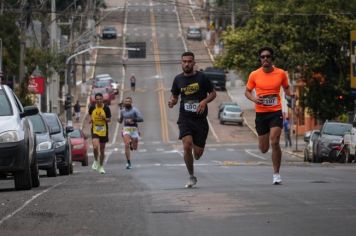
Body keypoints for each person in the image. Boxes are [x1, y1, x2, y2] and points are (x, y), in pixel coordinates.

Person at [245, 46, 294, 185]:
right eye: (262, 57)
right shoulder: (254, 74)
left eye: (268, 56)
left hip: (275, 112)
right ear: (260, 59)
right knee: (264, 148)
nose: (265, 59)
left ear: (272, 59)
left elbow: (286, 87)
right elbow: (247, 91)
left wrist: (291, 95)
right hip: (261, 114)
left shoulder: (281, 73)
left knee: (275, 141)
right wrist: (254, 99)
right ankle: (264, 146)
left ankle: (276, 174)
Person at [168, 51, 216, 188]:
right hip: (185, 118)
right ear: (181, 63)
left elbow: (213, 94)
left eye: (189, 61)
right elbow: (175, 97)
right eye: (184, 61)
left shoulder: (202, 77)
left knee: (198, 154)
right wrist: (172, 102)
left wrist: (204, 102)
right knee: (187, 144)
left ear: (194, 63)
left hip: (200, 120)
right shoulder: (178, 79)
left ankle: (197, 148)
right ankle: (191, 176)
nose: (187, 64)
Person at [88, 93, 111, 174]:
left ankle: (101, 166)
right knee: (95, 147)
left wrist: (104, 118)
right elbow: (90, 115)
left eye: (100, 99)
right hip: (95, 129)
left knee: (102, 149)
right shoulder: (92, 107)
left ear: (102, 99)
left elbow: (109, 120)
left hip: (104, 130)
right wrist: (91, 120)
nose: (98, 100)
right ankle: (95, 160)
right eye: (97, 99)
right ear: (95, 100)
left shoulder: (106, 108)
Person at [118, 97, 143, 169]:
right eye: (126, 101)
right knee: (126, 145)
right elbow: (120, 120)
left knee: (135, 148)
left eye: (129, 101)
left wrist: (133, 120)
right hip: (126, 129)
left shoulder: (135, 110)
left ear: (131, 102)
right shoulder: (122, 111)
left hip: (134, 129)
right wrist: (118, 120)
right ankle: (128, 162)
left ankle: (132, 144)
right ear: (125, 103)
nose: (127, 102)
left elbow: (141, 119)